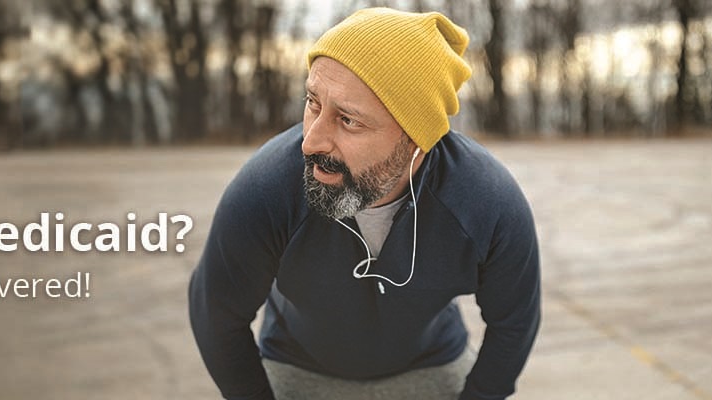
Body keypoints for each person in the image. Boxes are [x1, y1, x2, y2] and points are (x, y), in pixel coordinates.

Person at [188, 7, 540, 400]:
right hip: (296, 362)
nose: (311, 142)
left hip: (431, 362)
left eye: (349, 120)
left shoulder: (487, 203)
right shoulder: (267, 189)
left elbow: (515, 321)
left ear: (415, 139)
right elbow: (215, 315)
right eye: (313, 103)